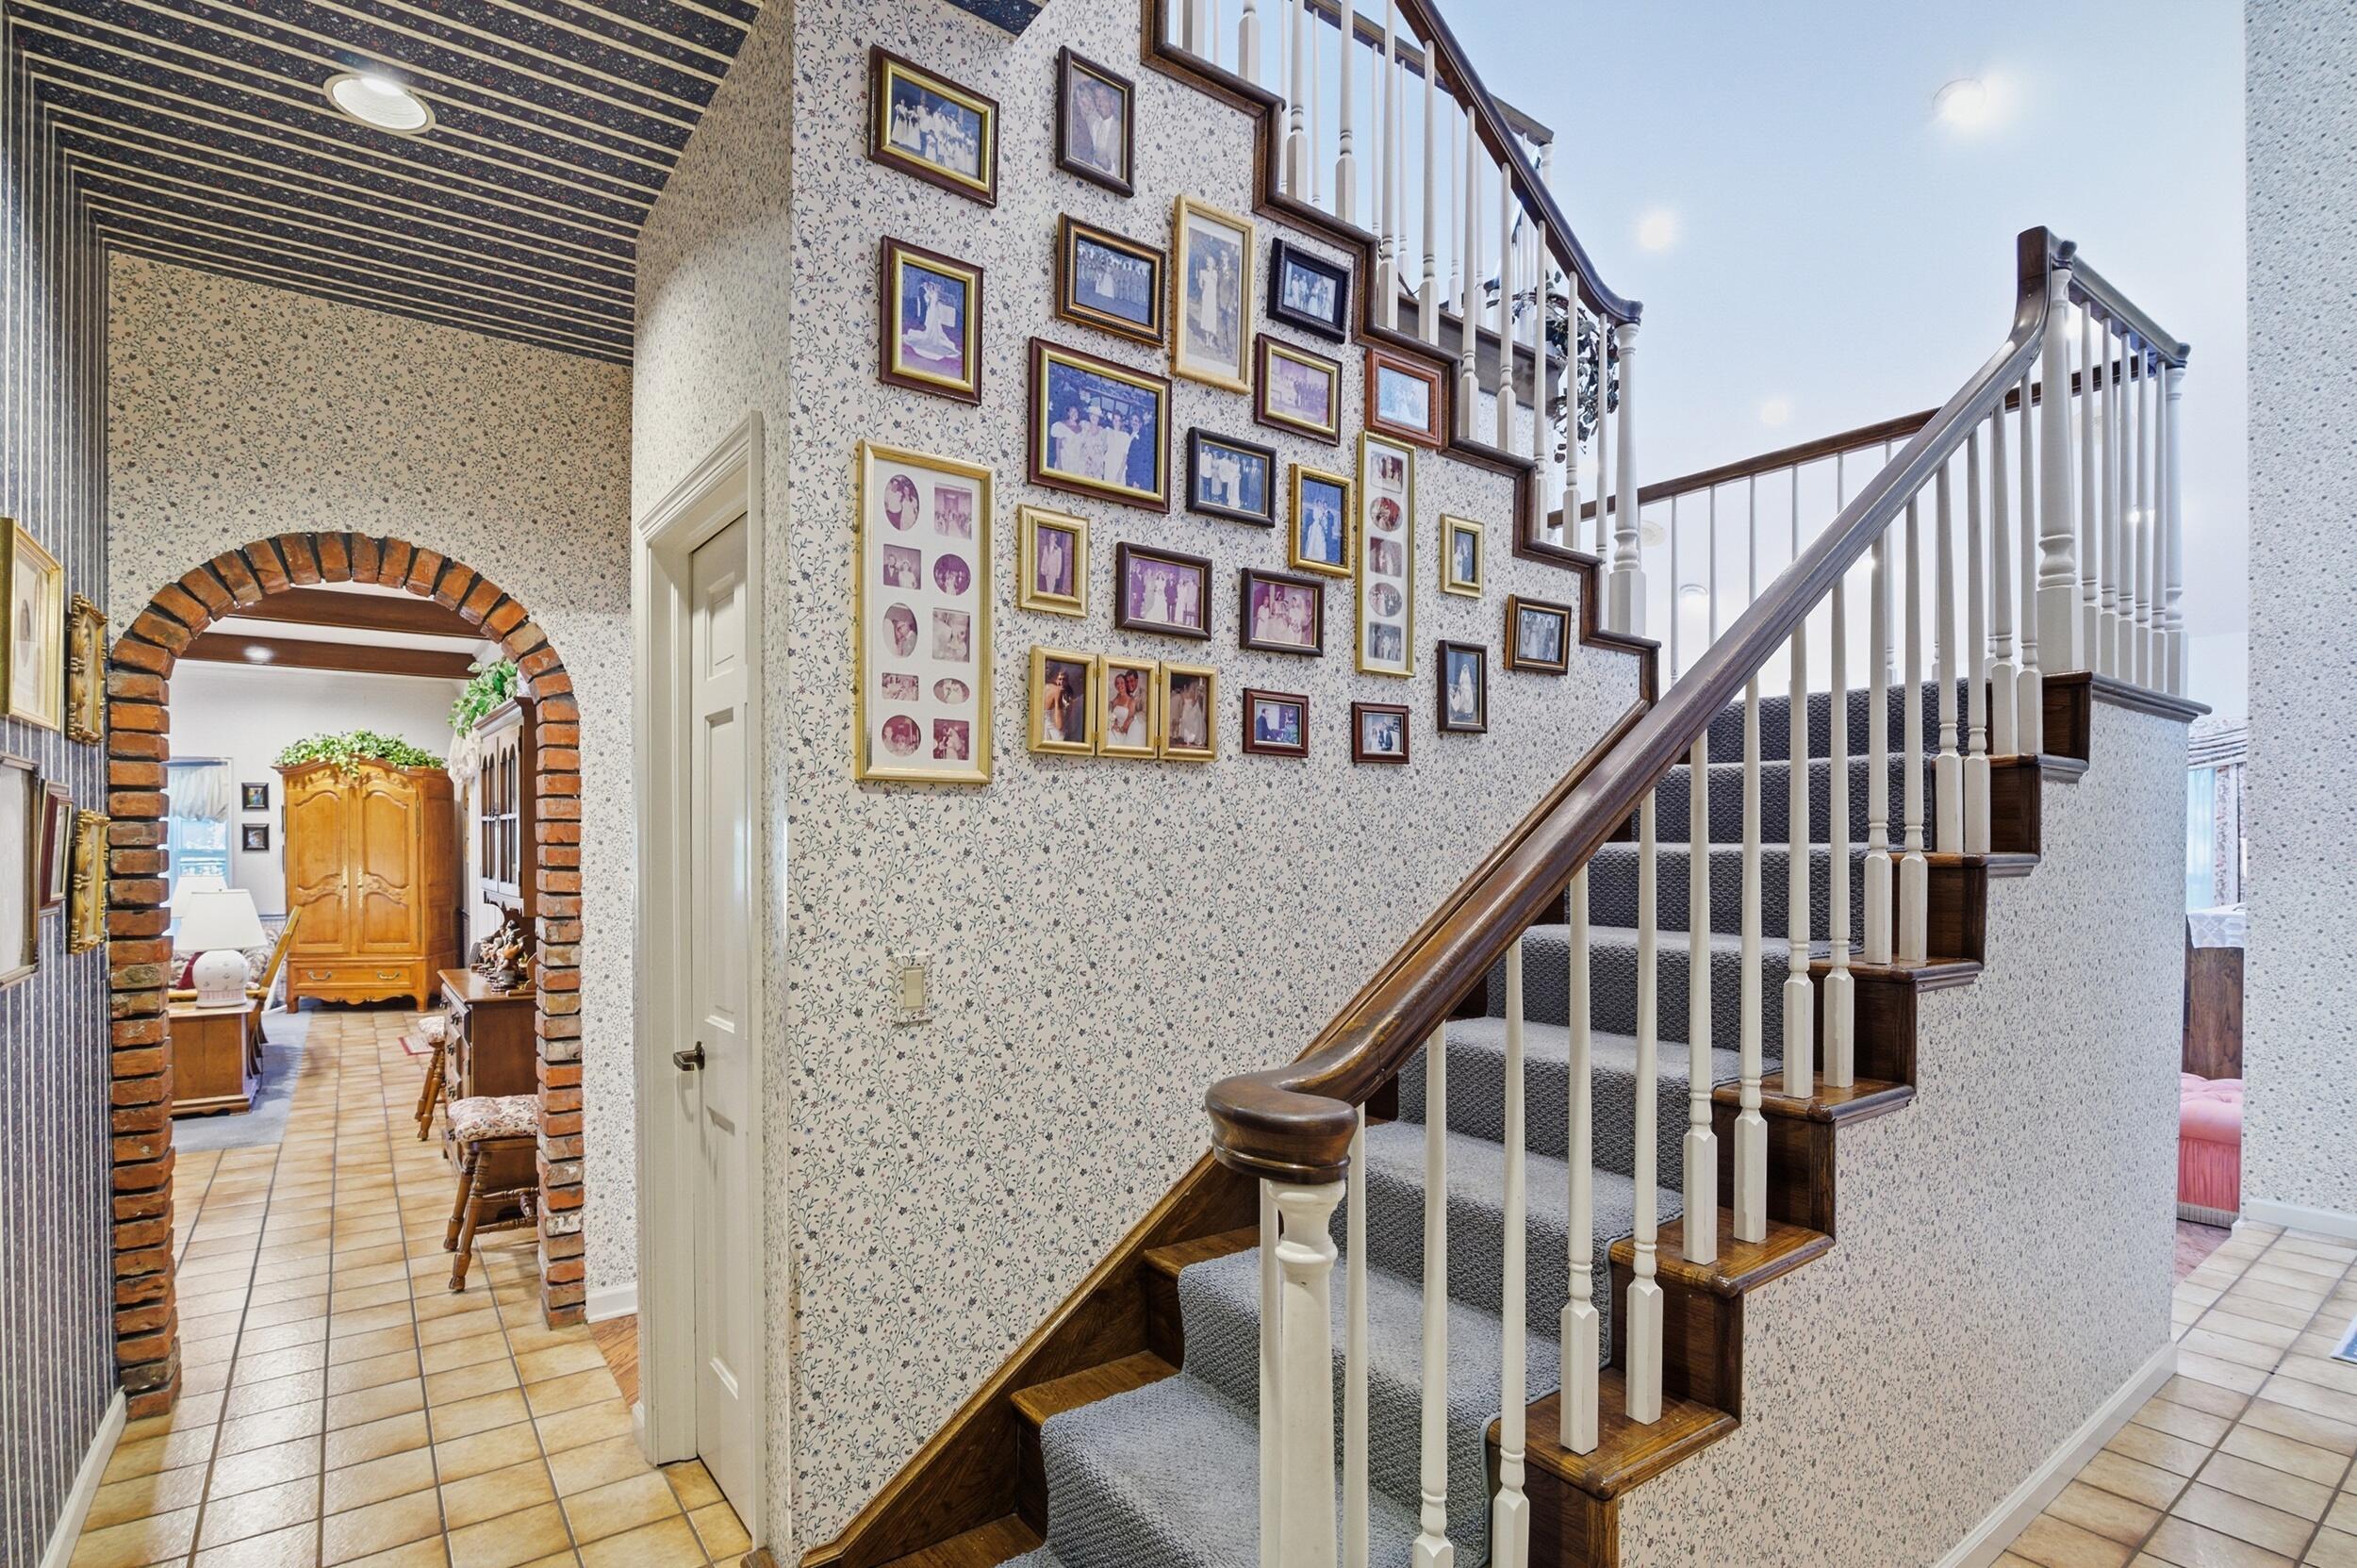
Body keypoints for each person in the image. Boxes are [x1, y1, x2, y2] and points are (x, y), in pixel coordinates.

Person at [901, 276, 962, 367]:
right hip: (932, 311)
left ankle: (932, 336)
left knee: (934, 326)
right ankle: (930, 335)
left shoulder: (933, 293)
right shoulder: (931, 293)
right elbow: (929, 300)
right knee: (931, 326)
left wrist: (930, 298)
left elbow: (931, 301)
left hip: (933, 311)